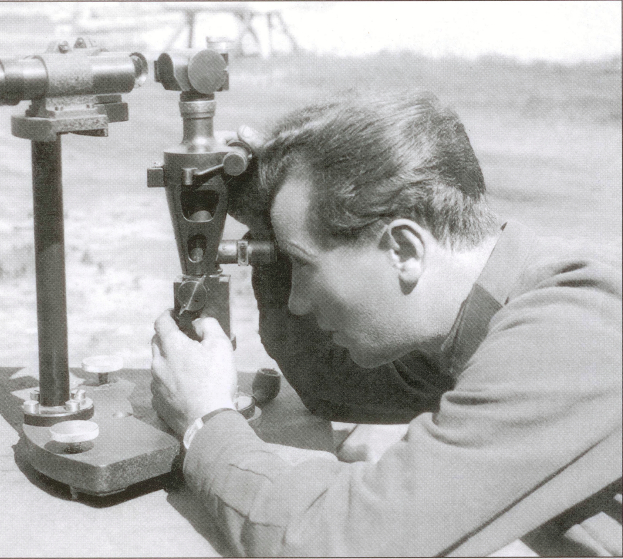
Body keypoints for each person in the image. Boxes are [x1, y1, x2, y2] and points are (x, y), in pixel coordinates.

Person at [150, 92, 622, 556]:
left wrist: (205, 423)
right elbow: (337, 386)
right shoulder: (490, 318)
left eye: (302, 264)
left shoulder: (567, 337)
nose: (294, 303)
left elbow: (334, 543)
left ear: (404, 251)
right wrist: (269, 216)